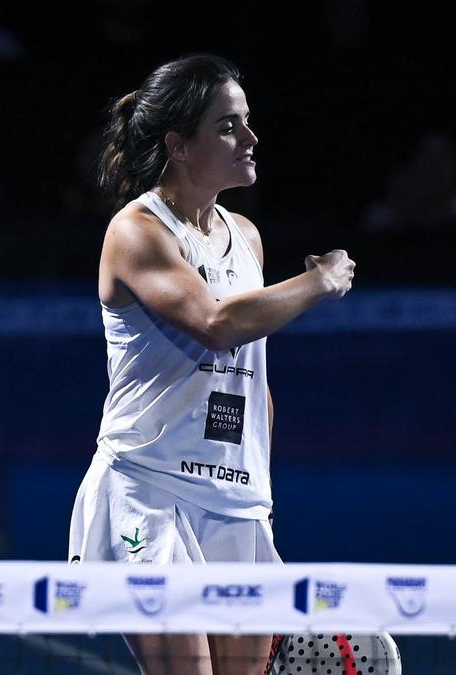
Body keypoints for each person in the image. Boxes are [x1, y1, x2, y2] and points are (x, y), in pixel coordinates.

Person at [68, 54, 356, 675]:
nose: (250, 139)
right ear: (178, 144)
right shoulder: (139, 232)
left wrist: (260, 496)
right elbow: (216, 325)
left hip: (237, 503)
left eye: (247, 122)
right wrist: (318, 280)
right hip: (148, 490)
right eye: (228, 126)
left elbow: (255, 385)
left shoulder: (246, 237)